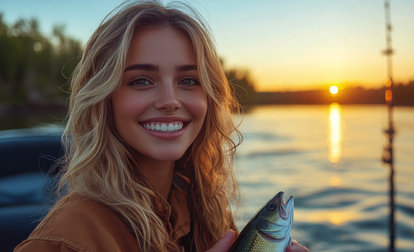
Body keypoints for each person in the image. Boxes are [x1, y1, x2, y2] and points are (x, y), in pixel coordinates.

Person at [15, 1, 308, 251]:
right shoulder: (66, 240)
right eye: (141, 81)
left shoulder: (206, 209)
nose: (170, 100)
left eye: (189, 81)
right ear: (104, 99)